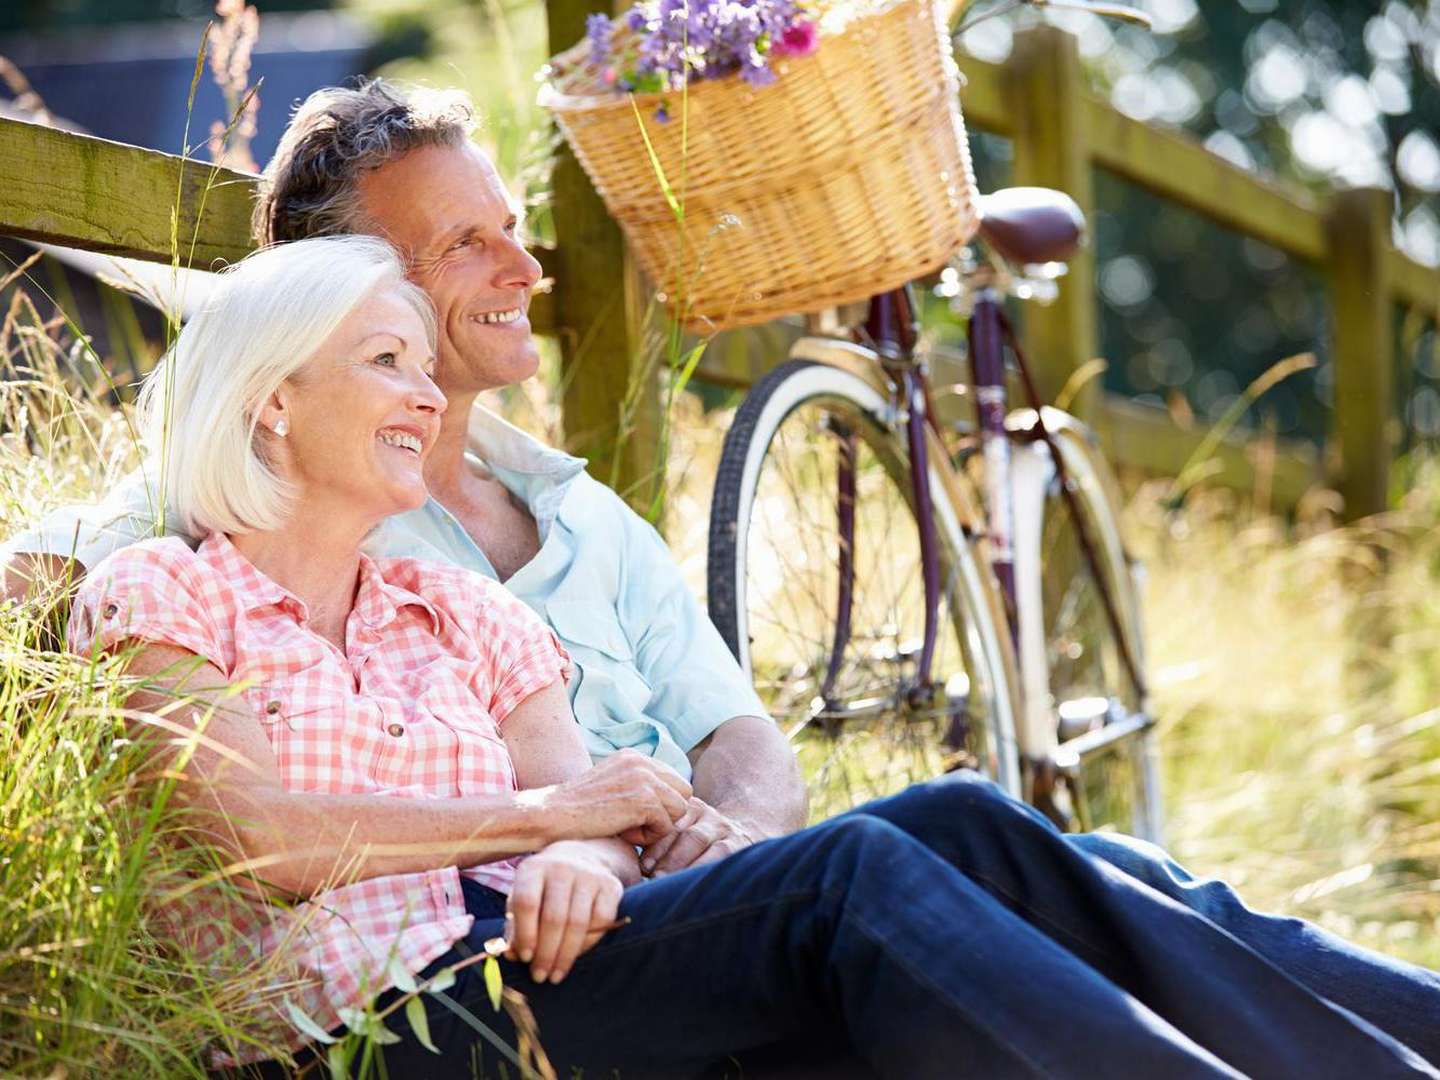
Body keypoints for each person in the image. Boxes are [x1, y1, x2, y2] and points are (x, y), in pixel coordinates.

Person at [3, 80, 1436, 1073]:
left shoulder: (469, 585)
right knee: (883, 870)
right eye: (453, 257)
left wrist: (613, 840)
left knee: (977, 827)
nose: (519, 269)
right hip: (406, 1011)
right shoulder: (178, 568)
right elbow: (249, 794)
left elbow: (639, 769)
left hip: (588, 915)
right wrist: (566, 820)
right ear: (293, 359)